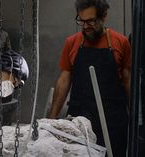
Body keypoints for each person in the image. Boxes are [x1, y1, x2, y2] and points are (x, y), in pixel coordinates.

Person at [49, 0, 131, 156]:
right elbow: (64, 80)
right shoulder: (72, 43)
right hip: (81, 121)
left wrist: (136, 119)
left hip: (113, 121)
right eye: (81, 21)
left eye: (91, 21)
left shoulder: (121, 42)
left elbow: (127, 81)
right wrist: (52, 119)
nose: (85, 26)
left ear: (103, 17)